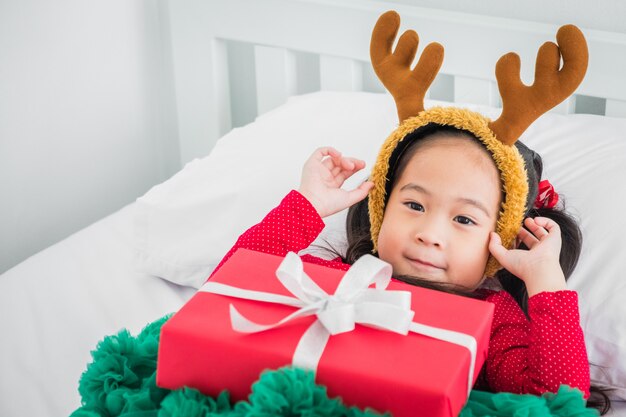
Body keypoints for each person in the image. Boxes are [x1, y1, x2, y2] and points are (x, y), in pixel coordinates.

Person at [210, 9, 610, 414]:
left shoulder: (492, 316)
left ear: (497, 243)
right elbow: (230, 288)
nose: (430, 233)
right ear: (382, 210)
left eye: (464, 219)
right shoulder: (337, 278)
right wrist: (308, 207)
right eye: (414, 205)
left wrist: (545, 280)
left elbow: (557, 401)